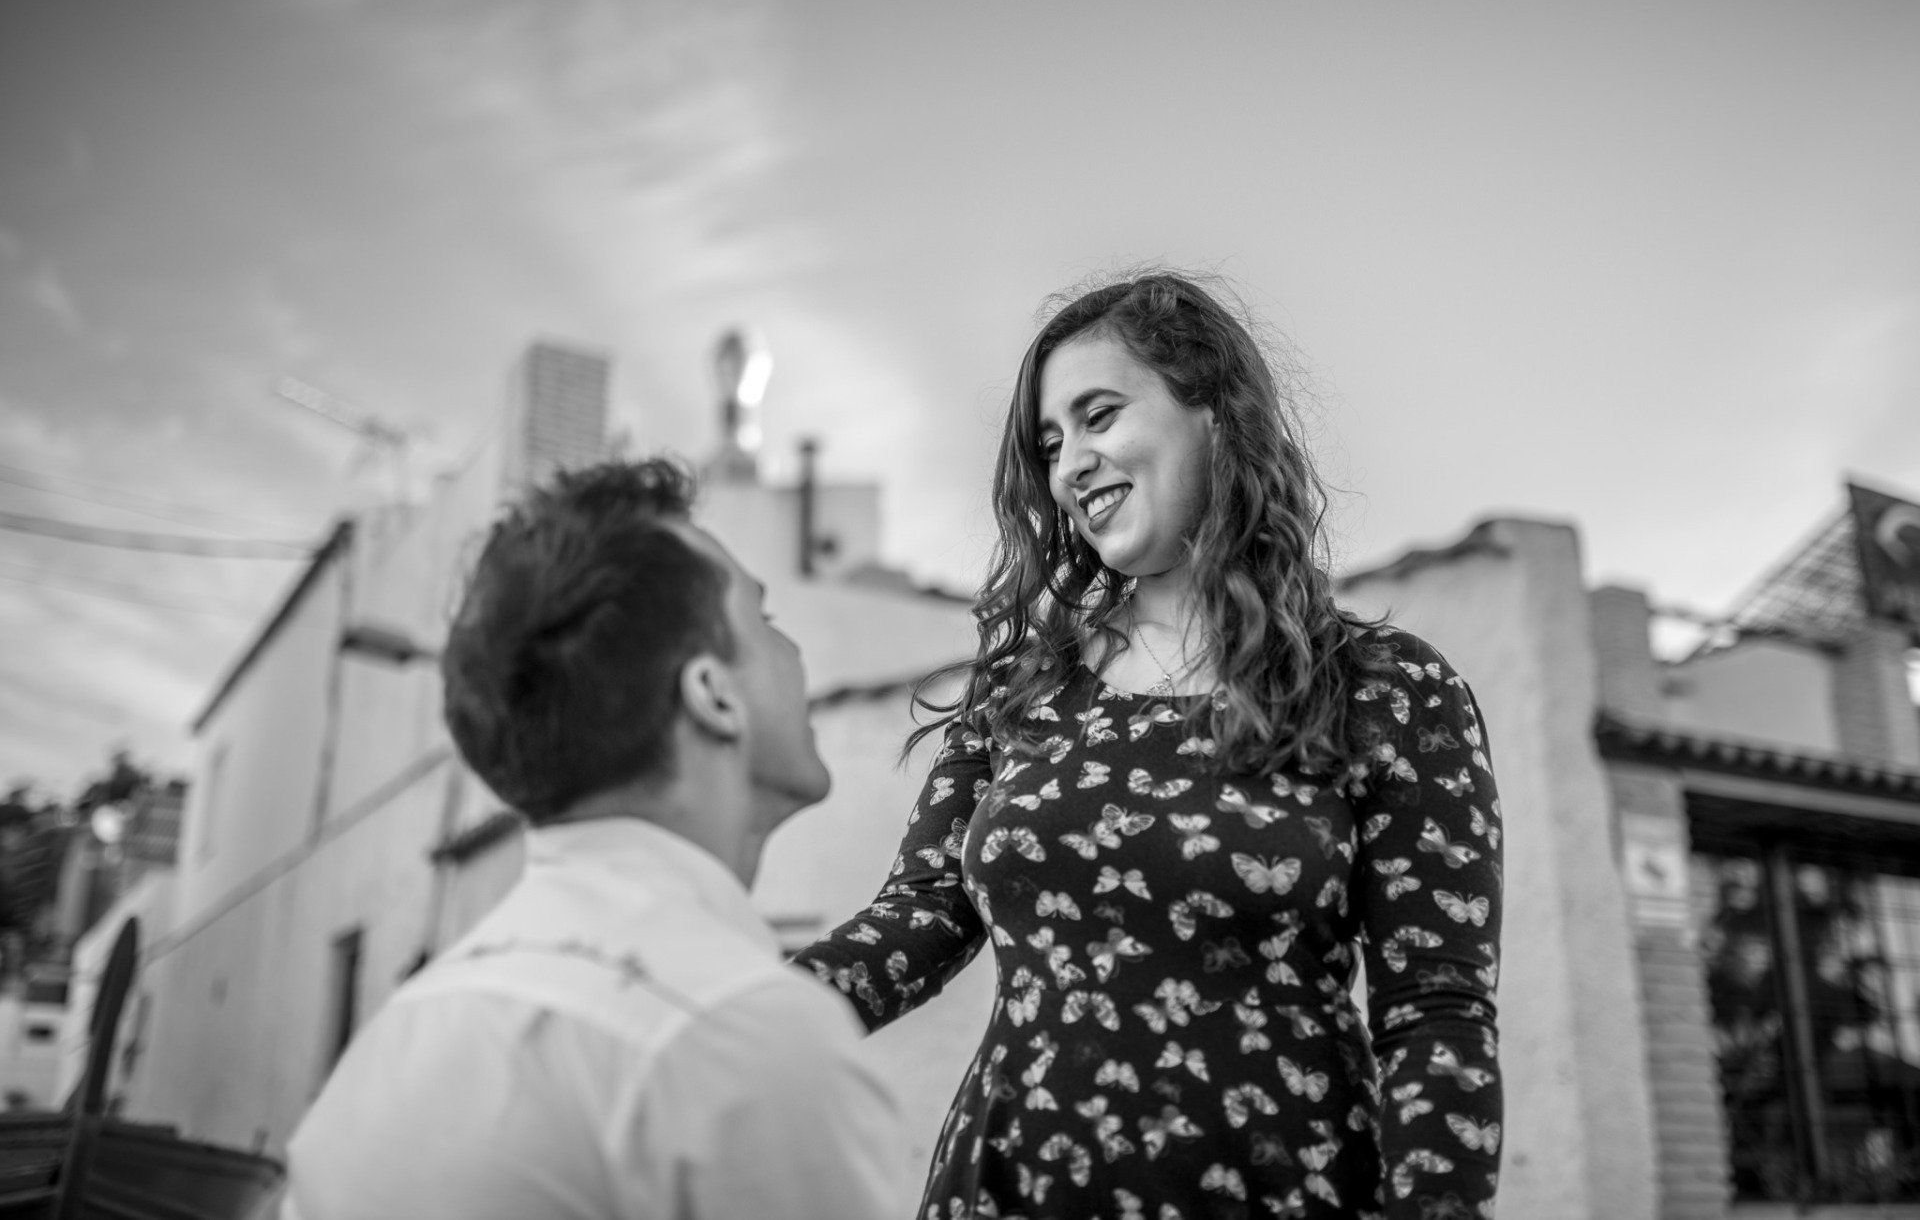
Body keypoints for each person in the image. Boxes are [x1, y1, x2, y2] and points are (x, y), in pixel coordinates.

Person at [797, 273, 1503, 1219]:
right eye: (1051, 444)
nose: (1070, 467)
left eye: (1099, 417)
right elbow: (919, 918)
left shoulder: (1388, 688)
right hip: (1007, 1194)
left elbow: (1436, 1014)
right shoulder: (1021, 692)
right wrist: (731, 1012)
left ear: (1214, 411)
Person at [284, 459, 908, 1220]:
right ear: (713, 695)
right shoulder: (742, 1038)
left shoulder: (391, 1041)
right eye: (766, 620)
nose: (798, 654)